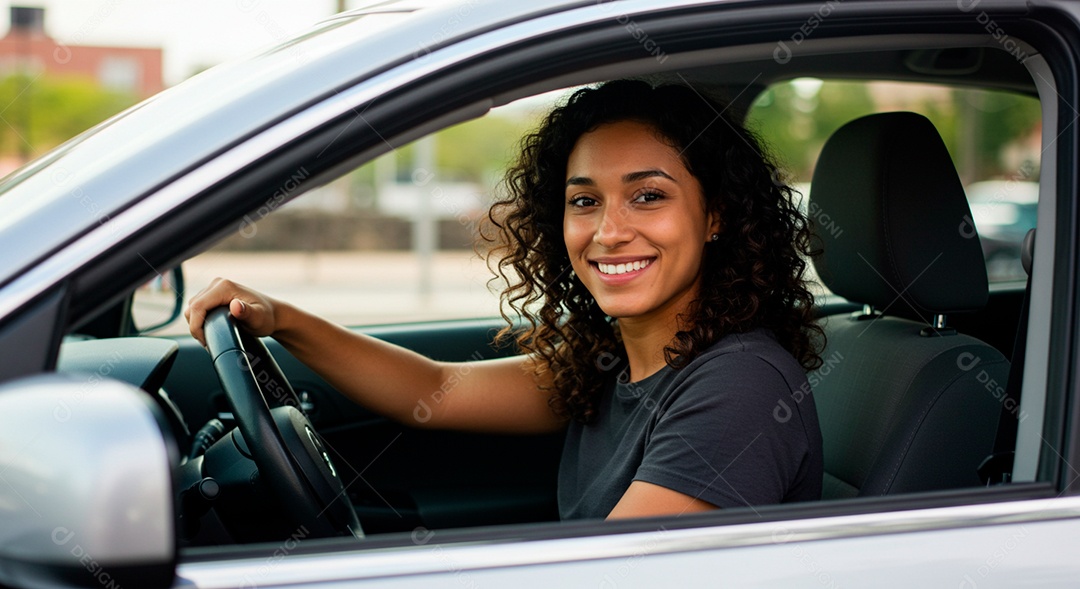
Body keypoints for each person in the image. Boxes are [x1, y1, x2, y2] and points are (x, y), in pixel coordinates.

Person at [185, 79, 824, 521]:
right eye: (584, 201)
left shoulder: (740, 387)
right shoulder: (610, 362)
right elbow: (433, 391)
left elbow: (609, 574)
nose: (608, 231)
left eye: (648, 196)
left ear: (715, 215)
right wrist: (280, 318)